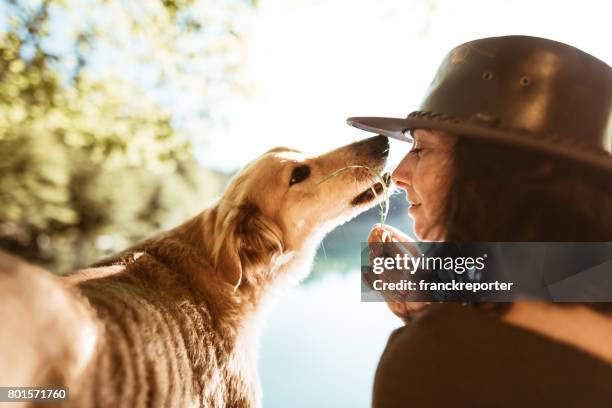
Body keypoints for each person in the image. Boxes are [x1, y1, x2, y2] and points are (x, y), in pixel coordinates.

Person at [348, 35, 612, 407]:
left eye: (422, 149)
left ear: (492, 174)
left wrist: (435, 321)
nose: (400, 174)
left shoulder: (432, 367)